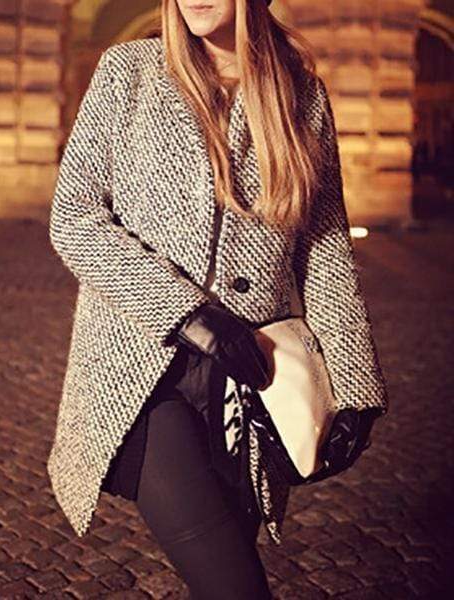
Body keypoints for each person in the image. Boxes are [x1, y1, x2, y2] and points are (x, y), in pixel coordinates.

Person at [47, 1, 389, 598]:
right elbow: (74, 219)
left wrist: (357, 390)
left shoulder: (301, 95)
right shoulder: (129, 71)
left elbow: (325, 249)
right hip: (139, 375)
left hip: (250, 385)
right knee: (235, 586)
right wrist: (190, 315)